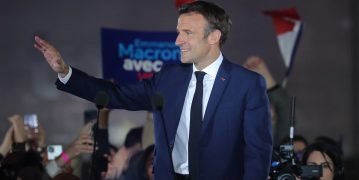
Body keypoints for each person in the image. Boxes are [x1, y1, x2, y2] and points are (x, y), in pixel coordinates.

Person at [34, 1, 272, 179]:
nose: (178, 41)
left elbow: (257, 152)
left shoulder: (247, 84)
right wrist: (65, 71)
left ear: (214, 37)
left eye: (187, 33)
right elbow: (116, 95)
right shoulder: (168, 78)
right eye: (179, 32)